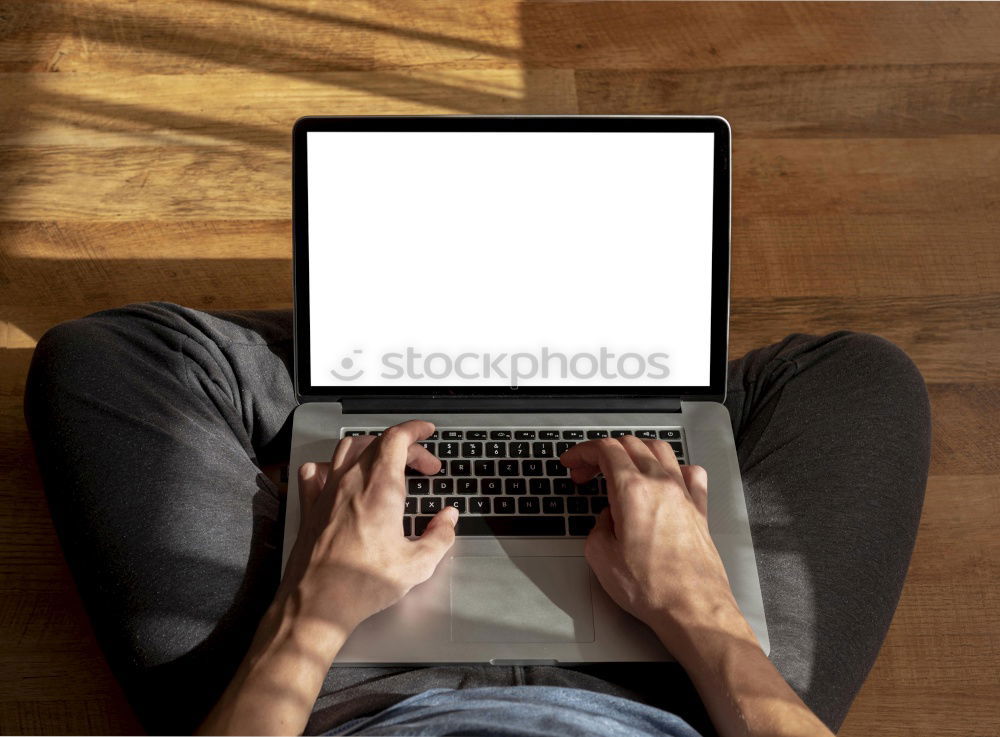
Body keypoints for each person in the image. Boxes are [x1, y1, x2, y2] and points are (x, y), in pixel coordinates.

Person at [23, 302, 930, 736]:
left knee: (104, 358)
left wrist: (310, 612)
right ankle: (591, 357)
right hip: (687, 693)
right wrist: (702, 611)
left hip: (318, 696)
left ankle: (393, 344)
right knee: (860, 376)